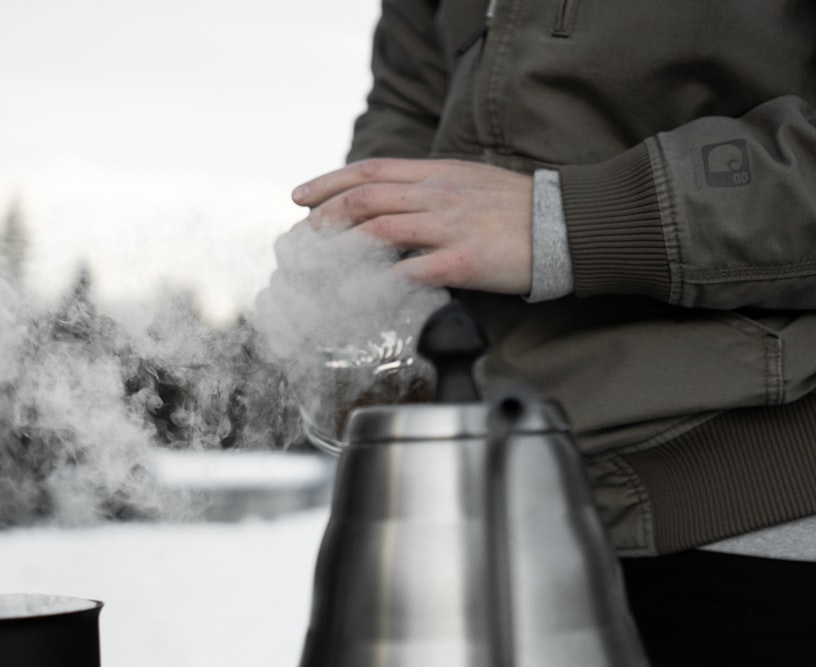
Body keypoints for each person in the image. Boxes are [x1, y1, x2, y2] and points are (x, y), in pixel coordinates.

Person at [290, 1, 816, 664]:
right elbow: (411, 97)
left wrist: (567, 221)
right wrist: (364, 251)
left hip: (748, 527)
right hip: (454, 518)